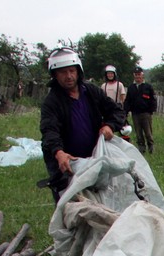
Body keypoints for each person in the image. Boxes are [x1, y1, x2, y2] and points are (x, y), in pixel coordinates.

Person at [39, 47, 125, 203]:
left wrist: (110, 126)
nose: (69, 76)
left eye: (72, 71)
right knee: (72, 208)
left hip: (93, 159)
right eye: (63, 72)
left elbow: (116, 111)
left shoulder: (91, 91)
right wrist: (59, 153)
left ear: (78, 71)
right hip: (68, 164)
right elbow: (49, 131)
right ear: (55, 75)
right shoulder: (51, 102)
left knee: (100, 203)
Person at [124, 67, 156, 154]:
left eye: (139, 75)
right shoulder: (131, 87)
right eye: (136, 75)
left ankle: (151, 148)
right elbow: (127, 100)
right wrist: (125, 111)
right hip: (135, 114)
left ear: (142, 76)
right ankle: (141, 149)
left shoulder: (148, 87)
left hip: (146, 113)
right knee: (138, 133)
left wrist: (151, 111)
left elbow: (153, 100)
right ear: (134, 76)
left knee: (148, 133)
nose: (138, 77)